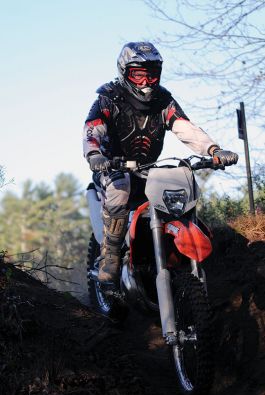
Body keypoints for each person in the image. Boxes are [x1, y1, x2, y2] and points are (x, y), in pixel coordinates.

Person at [82, 42, 238, 289]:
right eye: (138, 75)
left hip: (148, 169)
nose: (146, 82)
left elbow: (184, 127)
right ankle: (110, 256)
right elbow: (92, 130)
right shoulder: (108, 98)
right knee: (119, 188)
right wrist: (94, 154)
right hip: (113, 168)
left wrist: (213, 150)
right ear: (125, 72)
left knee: (179, 182)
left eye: (152, 75)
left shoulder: (163, 101)